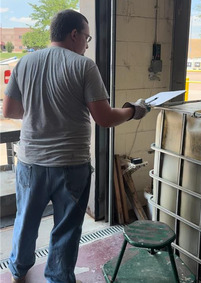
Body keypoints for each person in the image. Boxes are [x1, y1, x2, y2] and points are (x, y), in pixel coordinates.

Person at [3, 9, 149, 283]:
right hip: (70, 165)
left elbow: (10, 109)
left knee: (25, 221)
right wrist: (133, 111)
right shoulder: (83, 65)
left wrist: (40, 110)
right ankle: (58, 278)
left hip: (30, 163)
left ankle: (18, 271)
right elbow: (104, 118)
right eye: (87, 37)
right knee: (66, 227)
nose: (86, 43)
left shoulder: (25, 62)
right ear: (74, 35)